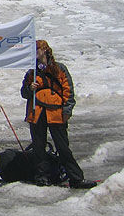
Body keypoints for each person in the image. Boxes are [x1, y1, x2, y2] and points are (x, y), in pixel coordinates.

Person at [21, 40, 96, 189]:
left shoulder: (59, 69)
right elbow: (24, 93)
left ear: (45, 50)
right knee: (38, 147)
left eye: (38, 48)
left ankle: (75, 178)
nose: (35, 51)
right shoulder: (31, 72)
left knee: (63, 148)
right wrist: (30, 88)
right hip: (37, 114)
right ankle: (41, 177)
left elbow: (68, 91)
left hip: (56, 114)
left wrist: (67, 111)